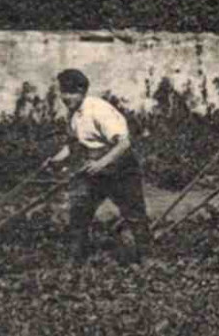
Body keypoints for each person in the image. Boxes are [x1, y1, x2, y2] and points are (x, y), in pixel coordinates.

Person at [48, 69, 154, 265]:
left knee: (134, 213)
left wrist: (101, 164)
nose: (66, 97)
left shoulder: (98, 110)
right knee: (79, 212)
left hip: (121, 167)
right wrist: (56, 159)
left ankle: (148, 258)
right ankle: (77, 260)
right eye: (64, 92)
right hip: (95, 168)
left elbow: (123, 143)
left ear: (83, 91)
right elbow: (73, 145)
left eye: (72, 92)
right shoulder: (73, 114)